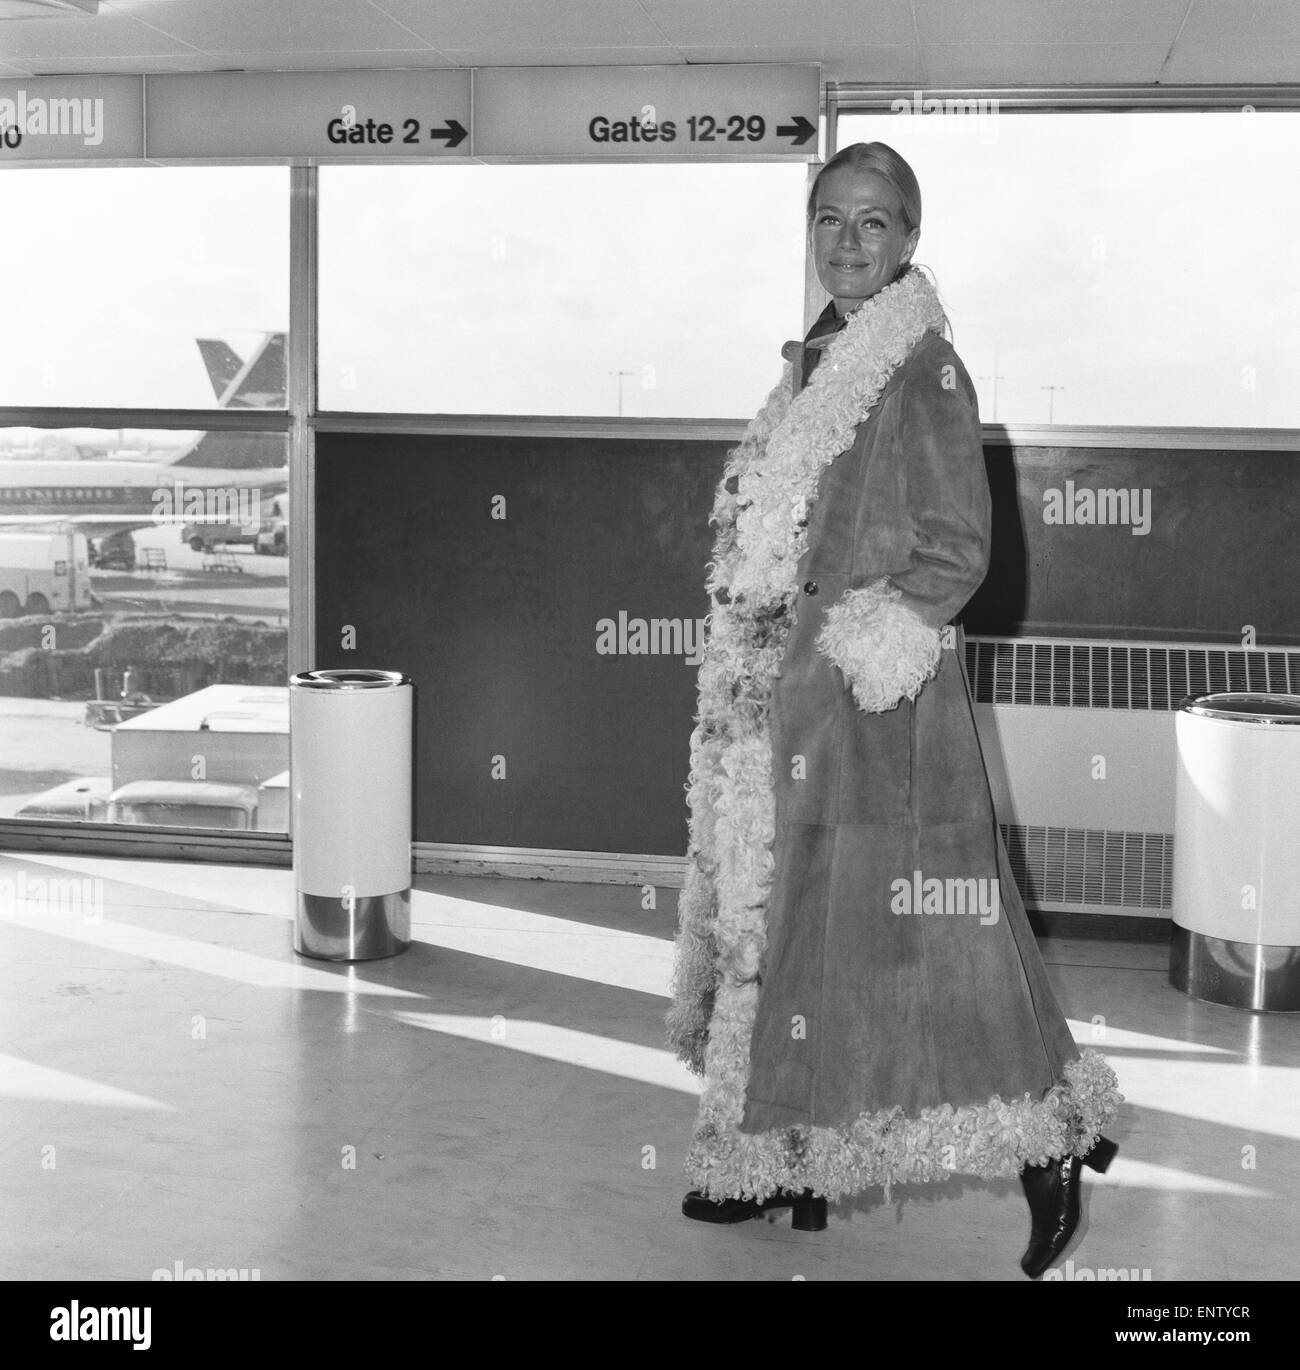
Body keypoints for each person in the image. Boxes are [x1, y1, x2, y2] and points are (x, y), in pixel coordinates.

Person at [666, 141, 1121, 1279]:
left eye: (875, 222)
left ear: (909, 239)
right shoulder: (815, 363)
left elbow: (957, 550)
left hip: (878, 719)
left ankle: (1054, 1143)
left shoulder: (924, 369)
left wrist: (861, 649)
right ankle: (789, 1164)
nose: (848, 240)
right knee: (797, 944)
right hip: (788, 718)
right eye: (830, 218)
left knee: (944, 952)